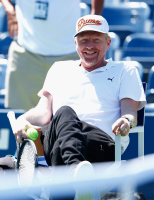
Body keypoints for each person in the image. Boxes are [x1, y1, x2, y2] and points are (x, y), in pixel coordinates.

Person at [10, 15, 146, 199]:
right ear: (75, 43)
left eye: (96, 40)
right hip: (59, 137)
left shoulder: (125, 70)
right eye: (83, 41)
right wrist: (22, 120)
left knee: (61, 142)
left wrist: (126, 121)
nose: (89, 45)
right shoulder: (59, 68)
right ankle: (78, 174)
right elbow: (43, 113)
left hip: (100, 145)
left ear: (108, 43)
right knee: (65, 113)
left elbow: (130, 114)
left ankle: (73, 178)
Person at [0, 0, 105, 111]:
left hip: (70, 56)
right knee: (22, 120)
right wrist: (9, 8)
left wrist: (93, 21)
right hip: (26, 54)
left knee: (73, 117)